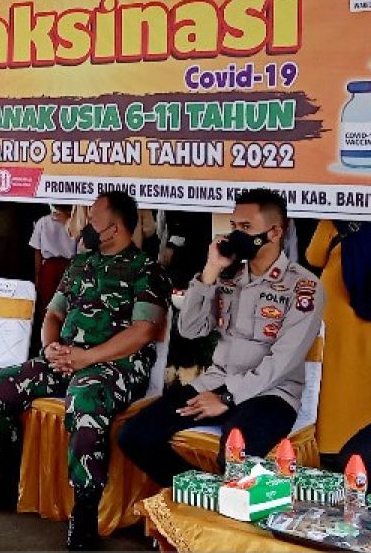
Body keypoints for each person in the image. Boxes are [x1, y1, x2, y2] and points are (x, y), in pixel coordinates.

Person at [0, 190, 171, 551]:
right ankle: (5, 479)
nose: (83, 225)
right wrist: (51, 347)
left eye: (92, 218)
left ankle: (84, 513)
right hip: (65, 359)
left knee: (84, 400)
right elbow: (53, 314)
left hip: (116, 367)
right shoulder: (81, 264)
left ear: (113, 228)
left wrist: (88, 357)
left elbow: (143, 331)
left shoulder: (146, 270)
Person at [120, 189, 324, 487]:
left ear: (275, 232)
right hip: (214, 381)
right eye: (233, 226)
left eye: (245, 228)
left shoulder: (303, 286)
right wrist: (210, 272)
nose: (235, 235)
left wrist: (228, 398)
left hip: (270, 395)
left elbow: (282, 360)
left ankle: (224, 516)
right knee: (135, 436)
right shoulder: (229, 276)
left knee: (235, 455)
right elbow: (190, 330)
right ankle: (202, 501)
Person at [306, 219, 371, 455]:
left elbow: (313, 257)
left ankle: (330, 445)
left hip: (335, 308)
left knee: (333, 376)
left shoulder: (339, 213)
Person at [30, 204, 75, 314]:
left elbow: (37, 251)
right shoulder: (74, 224)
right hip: (69, 267)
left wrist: (37, 274)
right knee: (67, 303)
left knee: (47, 303)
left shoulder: (43, 222)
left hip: (49, 268)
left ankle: (46, 328)